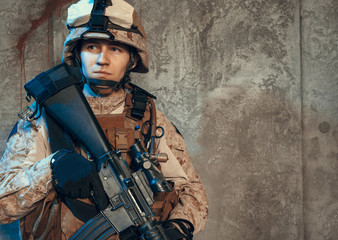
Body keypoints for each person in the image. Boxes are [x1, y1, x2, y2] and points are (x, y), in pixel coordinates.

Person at [0, 0, 208, 239]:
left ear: (132, 59)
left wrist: (180, 225)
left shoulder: (151, 119)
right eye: (92, 47)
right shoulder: (45, 117)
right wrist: (51, 169)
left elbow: (193, 191)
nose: (102, 60)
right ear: (77, 54)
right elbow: (3, 206)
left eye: (115, 49)